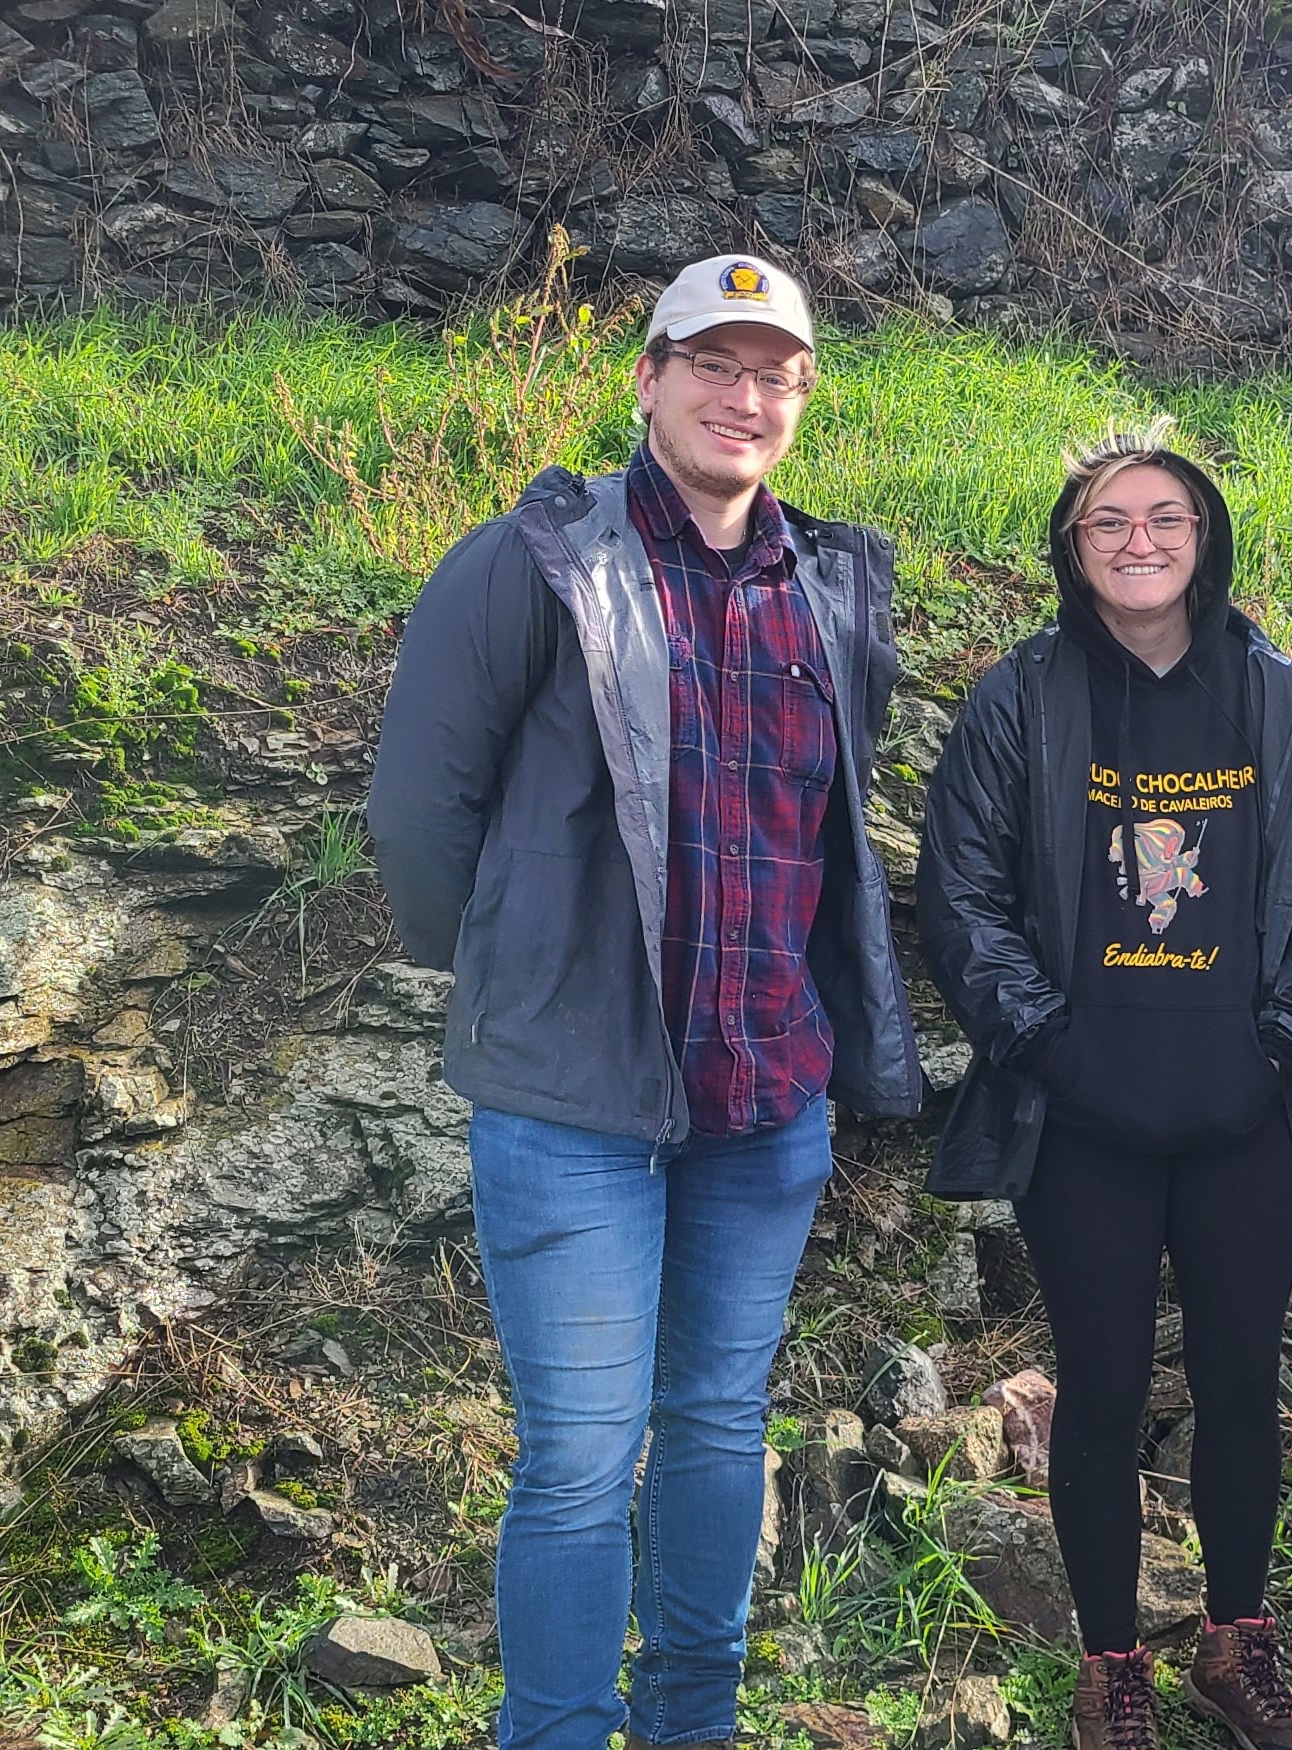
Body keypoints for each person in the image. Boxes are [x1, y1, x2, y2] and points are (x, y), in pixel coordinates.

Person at [368, 253, 923, 1750]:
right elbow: (421, 813)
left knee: (717, 1431)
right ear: (648, 377)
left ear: (800, 399)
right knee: (577, 1455)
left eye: (776, 374)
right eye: (713, 363)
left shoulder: (835, 585)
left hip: (763, 1105)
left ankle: (693, 1724)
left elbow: (826, 830)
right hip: (575, 1105)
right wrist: (520, 975)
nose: (745, 397)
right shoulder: (535, 560)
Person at [916, 423, 1292, 1750]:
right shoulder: (1022, 699)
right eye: (1108, 520)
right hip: (1085, 1114)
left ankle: (1239, 1649)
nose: (1138, 541)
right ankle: (1110, 1664)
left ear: (1204, 536)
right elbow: (963, 897)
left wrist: (1286, 1041)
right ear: (1071, 547)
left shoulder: (1279, 699)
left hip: (1245, 1107)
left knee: (1237, 1378)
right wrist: (1049, 1043)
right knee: (1101, 1383)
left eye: (1164, 516)